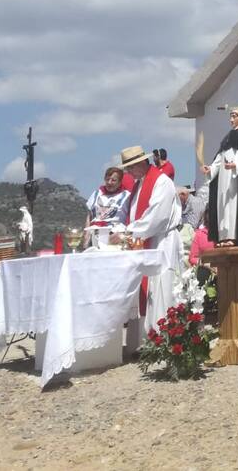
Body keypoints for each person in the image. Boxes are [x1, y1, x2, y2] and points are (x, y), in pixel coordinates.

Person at [113, 144, 183, 349]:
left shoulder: (161, 182)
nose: (128, 173)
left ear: (142, 163)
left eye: (130, 168)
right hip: (147, 241)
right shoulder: (140, 184)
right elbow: (135, 214)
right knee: (148, 291)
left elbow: (156, 218)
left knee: (161, 289)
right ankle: (145, 342)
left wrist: (128, 232)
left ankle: (164, 340)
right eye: (127, 169)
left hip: (162, 242)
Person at [203, 105, 238, 245]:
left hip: (234, 177)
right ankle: (223, 236)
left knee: (232, 203)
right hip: (223, 176)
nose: (231, 119)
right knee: (222, 203)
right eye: (230, 116)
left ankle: (232, 236)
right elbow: (220, 156)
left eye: (234, 116)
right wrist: (211, 169)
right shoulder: (228, 136)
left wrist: (236, 166)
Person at [84, 167, 131, 231]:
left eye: (113, 180)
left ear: (120, 182)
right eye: (107, 179)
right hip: (94, 234)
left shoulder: (127, 196)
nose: (109, 182)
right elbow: (89, 216)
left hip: (114, 235)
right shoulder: (96, 194)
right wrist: (87, 234)